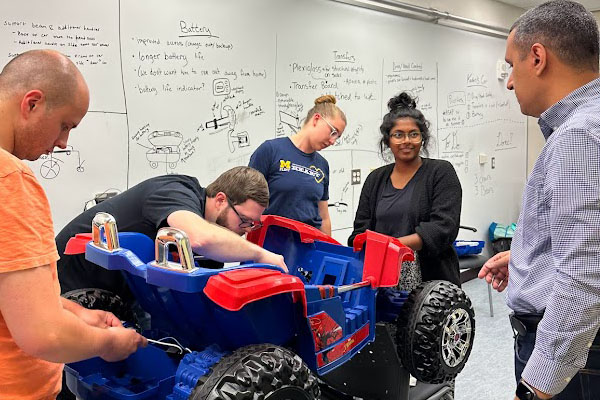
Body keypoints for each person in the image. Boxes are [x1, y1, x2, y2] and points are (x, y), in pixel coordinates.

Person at [0, 49, 146, 399]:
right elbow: (44, 334)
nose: (63, 143)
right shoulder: (10, 179)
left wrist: (76, 314)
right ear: (31, 103)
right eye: (65, 124)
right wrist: (107, 343)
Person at [478, 1, 600, 399]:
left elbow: (584, 278)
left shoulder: (578, 136)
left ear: (537, 58)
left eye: (511, 65)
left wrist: (535, 388)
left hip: (573, 364)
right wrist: (526, 257)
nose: (509, 82)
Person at [56, 166, 287, 304]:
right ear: (220, 199)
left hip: (117, 290)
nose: (245, 231)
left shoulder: (212, 244)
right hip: (69, 280)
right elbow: (200, 238)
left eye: (252, 225)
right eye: (244, 221)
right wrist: (260, 254)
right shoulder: (175, 190)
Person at [348, 92, 462, 286]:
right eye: (398, 135)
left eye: (414, 134)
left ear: (423, 139)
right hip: (380, 280)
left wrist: (392, 247)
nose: (406, 140)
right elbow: (360, 232)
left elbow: (443, 228)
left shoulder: (441, 172)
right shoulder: (375, 179)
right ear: (388, 141)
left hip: (431, 284)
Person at [249, 95, 346, 236]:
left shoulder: (322, 165)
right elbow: (246, 204)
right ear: (316, 119)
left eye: (337, 137)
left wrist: (327, 251)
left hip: (307, 248)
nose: (333, 141)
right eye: (333, 132)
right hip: (269, 244)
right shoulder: (270, 150)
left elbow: (324, 218)